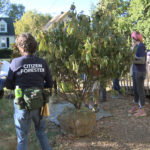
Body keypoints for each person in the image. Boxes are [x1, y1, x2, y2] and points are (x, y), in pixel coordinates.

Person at [5, 33, 53, 150]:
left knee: (22, 138)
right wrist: (39, 85)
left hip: (22, 105)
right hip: (39, 104)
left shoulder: (16, 62)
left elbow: (8, 84)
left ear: (22, 48)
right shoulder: (42, 62)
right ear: (34, 47)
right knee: (41, 133)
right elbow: (50, 83)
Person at [128, 31, 147, 116]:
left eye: (133, 38)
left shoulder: (141, 46)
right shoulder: (136, 47)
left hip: (140, 71)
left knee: (140, 90)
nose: (132, 40)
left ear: (136, 38)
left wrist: (133, 58)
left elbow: (142, 60)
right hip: (136, 70)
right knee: (135, 89)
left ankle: (142, 109)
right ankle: (136, 106)